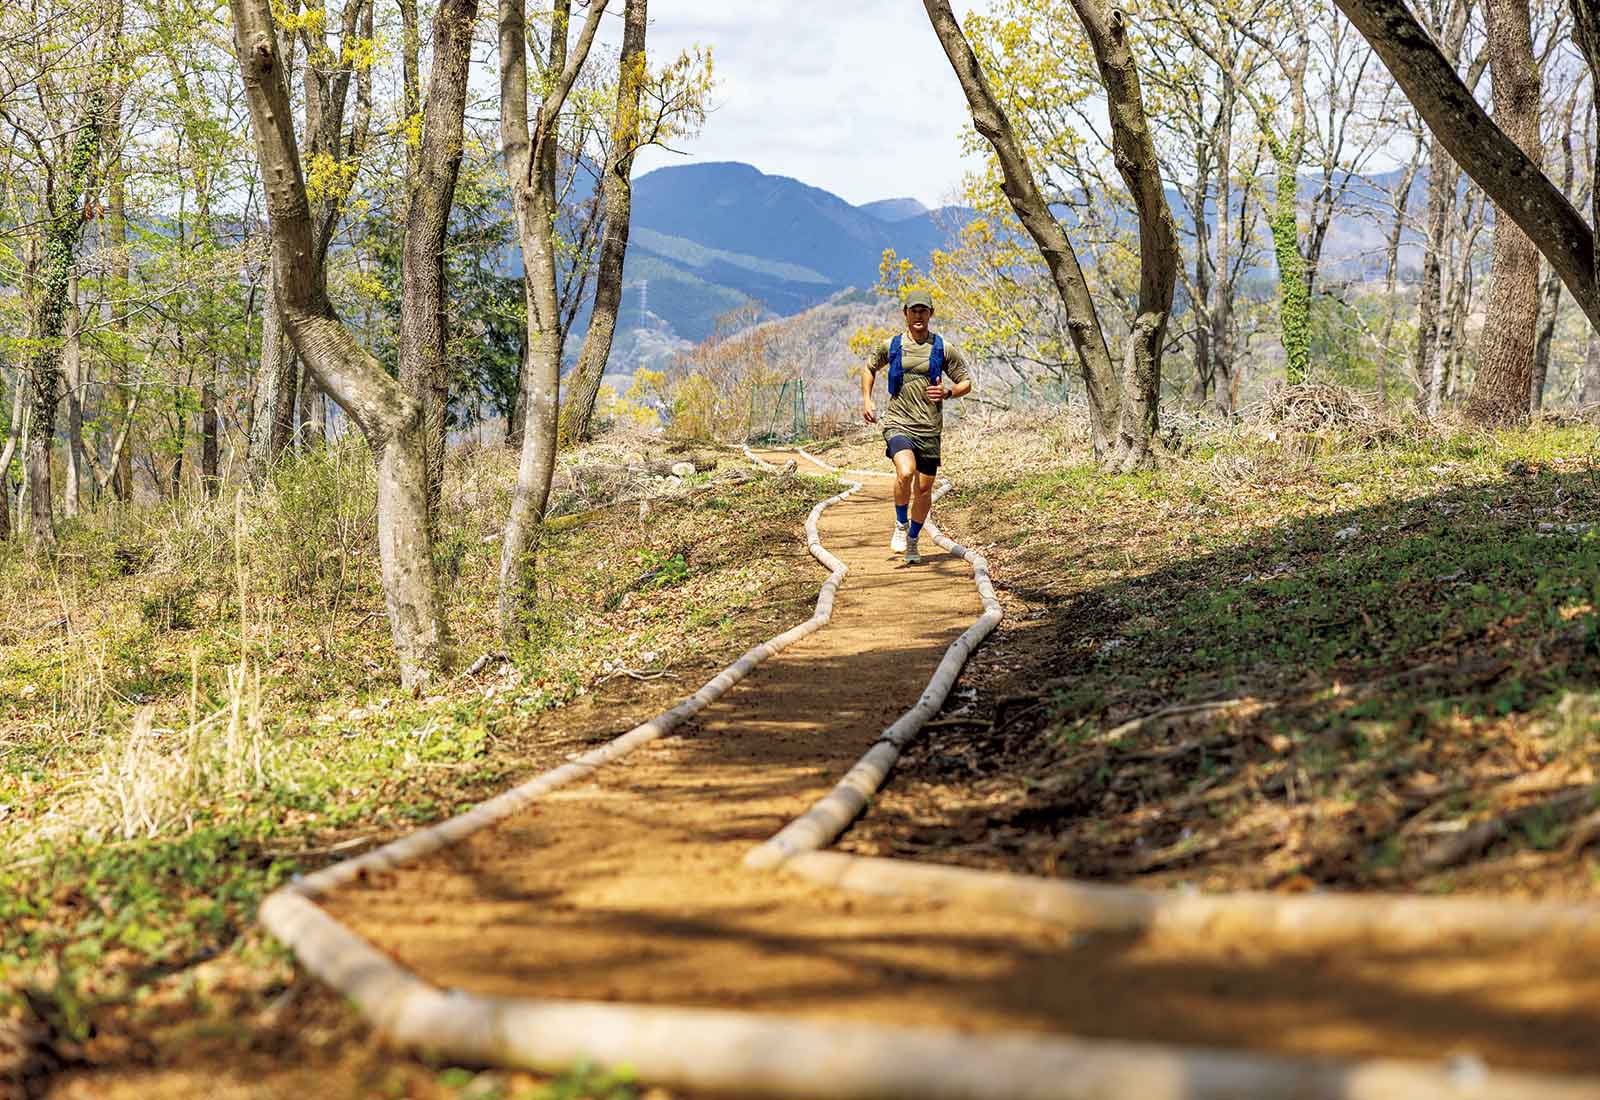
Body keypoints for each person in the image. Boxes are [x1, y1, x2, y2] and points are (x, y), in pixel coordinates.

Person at [860, 289, 972, 563]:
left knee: (923, 490)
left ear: (931, 314)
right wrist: (867, 400)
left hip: (930, 428)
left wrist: (947, 392)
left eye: (924, 310)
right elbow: (869, 367)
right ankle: (900, 525)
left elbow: (965, 382)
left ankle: (913, 539)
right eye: (914, 310)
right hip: (898, 422)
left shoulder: (943, 348)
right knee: (905, 471)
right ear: (906, 314)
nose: (919, 315)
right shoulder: (893, 345)